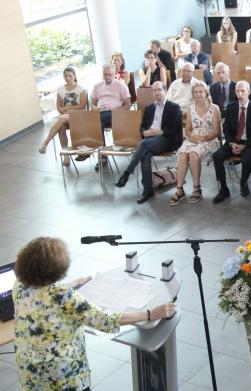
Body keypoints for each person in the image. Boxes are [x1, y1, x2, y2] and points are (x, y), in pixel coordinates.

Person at [12, 237, 176, 391]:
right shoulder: (64, 296)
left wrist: (73, 284)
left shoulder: (19, 286)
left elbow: (44, 295)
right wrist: (150, 314)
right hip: (62, 377)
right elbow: (105, 320)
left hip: (30, 371)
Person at [114, 81, 182, 203]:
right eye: (154, 90)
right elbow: (142, 126)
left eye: (159, 90)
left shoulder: (174, 107)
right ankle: (148, 190)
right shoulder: (149, 108)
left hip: (167, 139)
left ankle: (127, 173)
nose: (157, 92)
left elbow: (176, 129)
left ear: (165, 91)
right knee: (145, 155)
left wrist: (160, 132)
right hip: (150, 139)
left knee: (144, 144)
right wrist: (144, 132)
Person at [211, 81, 251, 203]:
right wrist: (231, 143)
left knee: (247, 159)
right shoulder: (231, 107)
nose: (239, 94)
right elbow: (226, 129)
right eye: (237, 91)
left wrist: (244, 146)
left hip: (250, 143)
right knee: (217, 156)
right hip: (234, 141)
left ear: (249, 92)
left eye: (242, 91)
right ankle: (224, 189)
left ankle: (243, 182)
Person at [170, 83, 222, 205]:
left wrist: (203, 138)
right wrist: (193, 137)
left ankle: (196, 188)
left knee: (193, 154)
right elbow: (188, 129)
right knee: (183, 153)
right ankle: (179, 189)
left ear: (206, 93)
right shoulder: (191, 108)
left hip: (210, 139)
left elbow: (216, 132)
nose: (198, 94)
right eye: (195, 92)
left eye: (200, 92)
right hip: (193, 139)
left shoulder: (214, 108)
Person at [38, 67, 87, 166]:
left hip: (78, 116)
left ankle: (45, 143)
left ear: (74, 76)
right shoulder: (60, 89)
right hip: (65, 117)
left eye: (70, 76)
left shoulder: (80, 89)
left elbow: (82, 106)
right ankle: (66, 156)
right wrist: (64, 110)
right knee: (61, 127)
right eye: (65, 76)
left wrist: (68, 109)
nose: (67, 78)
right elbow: (59, 107)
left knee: (61, 119)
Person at [91, 64, 131, 129]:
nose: (107, 77)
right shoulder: (97, 86)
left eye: (110, 75)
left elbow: (128, 105)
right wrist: (96, 109)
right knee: (99, 124)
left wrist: (114, 110)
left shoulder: (121, 86)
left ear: (114, 74)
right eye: (105, 74)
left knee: (95, 121)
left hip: (115, 113)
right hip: (100, 112)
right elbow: (93, 105)